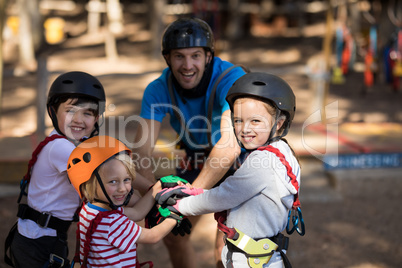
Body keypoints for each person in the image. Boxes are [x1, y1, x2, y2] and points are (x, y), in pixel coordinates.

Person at [132, 17, 247, 267]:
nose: (187, 65)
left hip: (238, 162)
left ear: (208, 57)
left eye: (195, 55)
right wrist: (154, 203)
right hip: (195, 158)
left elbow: (229, 146)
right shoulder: (158, 89)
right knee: (172, 235)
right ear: (168, 59)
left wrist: (187, 199)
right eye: (179, 56)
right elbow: (141, 152)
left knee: (227, 248)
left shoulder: (230, 78)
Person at [156, 72, 302, 268]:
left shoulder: (263, 161)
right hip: (259, 257)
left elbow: (222, 196)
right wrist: (190, 194)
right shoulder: (283, 152)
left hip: (251, 261)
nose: (244, 129)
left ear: (279, 123)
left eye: (255, 121)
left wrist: (178, 205)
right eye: (238, 120)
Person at [7, 71, 106, 268]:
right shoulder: (61, 148)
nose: (78, 119)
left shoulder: (80, 144)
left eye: (87, 112)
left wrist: (152, 188)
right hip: (36, 241)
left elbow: (110, 167)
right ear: (53, 111)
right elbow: (105, 181)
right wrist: (150, 196)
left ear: (96, 118)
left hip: (48, 236)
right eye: (70, 111)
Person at [66, 135, 185, 267]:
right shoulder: (112, 222)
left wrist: (156, 187)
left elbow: (137, 212)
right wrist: (175, 216)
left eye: (127, 180)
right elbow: (153, 236)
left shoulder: (90, 210)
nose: (122, 189)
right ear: (90, 184)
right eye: (113, 182)